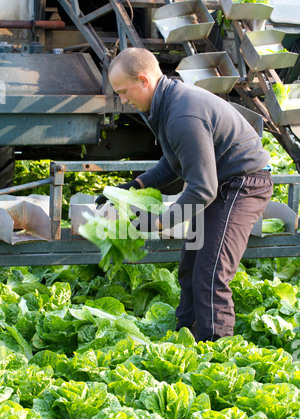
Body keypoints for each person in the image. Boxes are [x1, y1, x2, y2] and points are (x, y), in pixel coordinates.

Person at [95, 47, 273, 342]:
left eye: (124, 92)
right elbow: (173, 162)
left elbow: (202, 188)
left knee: (210, 272)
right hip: (221, 183)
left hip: (243, 184)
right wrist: (133, 187)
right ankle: (185, 340)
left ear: (143, 80)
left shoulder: (181, 113)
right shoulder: (166, 104)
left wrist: (160, 223)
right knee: (190, 267)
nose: (123, 100)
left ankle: (216, 353)